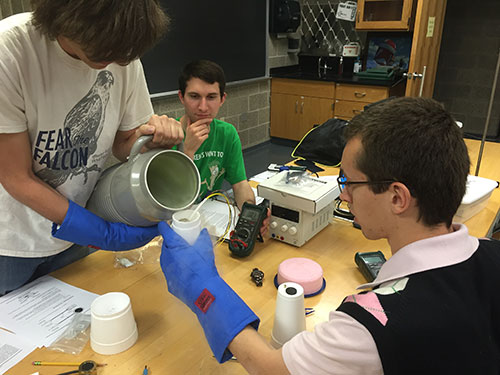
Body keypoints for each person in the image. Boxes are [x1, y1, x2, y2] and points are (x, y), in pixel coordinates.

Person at [158, 97, 500, 374]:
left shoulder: (371, 325)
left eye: (350, 182)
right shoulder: (492, 255)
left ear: (398, 197)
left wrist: (203, 286)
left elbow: (269, 368)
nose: (343, 195)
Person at [0, 0, 184, 296]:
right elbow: (16, 178)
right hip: (11, 242)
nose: (112, 60)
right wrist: (99, 231)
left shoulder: (120, 51)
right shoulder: (10, 51)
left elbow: (125, 146)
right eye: (102, 50)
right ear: (66, 17)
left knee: (70, 324)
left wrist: (149, 139)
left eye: (120, 55)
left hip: (73, 233)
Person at [176, 59, 270, 233]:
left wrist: (251, 212)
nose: (203, 107)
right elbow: (170, 198)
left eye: (211, 97)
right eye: (194, 96)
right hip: (176, 221)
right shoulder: (169, 136)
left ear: (222, 99)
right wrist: (187, 151)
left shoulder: (227, 134)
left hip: (209, 216)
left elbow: (240, 184)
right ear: (182, 97)